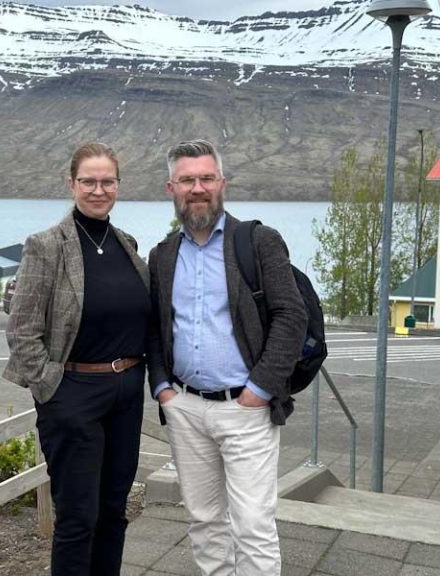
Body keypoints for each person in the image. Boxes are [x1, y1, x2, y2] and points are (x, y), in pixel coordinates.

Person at [147, 139, 307, 576]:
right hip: (185, 407)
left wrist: (259, 390)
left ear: (222, 183)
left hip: (245, 409)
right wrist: (162, 388)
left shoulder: (258, 242)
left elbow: (291, 316)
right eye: (187, 180)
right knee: (204, 521)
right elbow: (155, 327)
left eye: (206, 178)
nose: (197, 188)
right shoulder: (163, 255)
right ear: (171, 188)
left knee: (252, 526)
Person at [3, 141, 150, 576]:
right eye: (89, 181)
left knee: (114, 510)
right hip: (74, 396)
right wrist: (53, 391)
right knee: (77, 518)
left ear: (118, 185)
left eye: (107, 182)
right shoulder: (47, 246)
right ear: (72, 184)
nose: (98, 190)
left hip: (126, 394)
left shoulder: (126, 244)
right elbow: (21, 330)